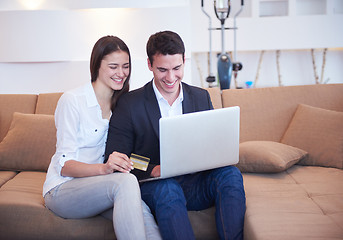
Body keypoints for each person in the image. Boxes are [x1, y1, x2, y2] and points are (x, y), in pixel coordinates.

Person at [105, 31, 246, 240]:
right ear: (149, 64)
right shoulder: (129, 104)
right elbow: (121, 157)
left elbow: (211, 143)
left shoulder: (200, 97)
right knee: (168, 187)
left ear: (184, 61)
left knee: (231, 174)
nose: (171, 78)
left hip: (197, 183)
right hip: (157, 187)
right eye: (162, 69)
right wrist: (153, 169)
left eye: (177, 68)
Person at [43, 36, 161, 240]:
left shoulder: (125, 105)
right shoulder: (72, 101)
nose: (121, 73)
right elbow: (64, 164)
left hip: (103, 187)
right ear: (97, 65)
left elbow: (128, 157)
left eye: (126, 66)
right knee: (125, 182)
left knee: (143, 212)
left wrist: (152, 168)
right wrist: (104, 169)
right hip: (63, 189)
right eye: (113, 66)